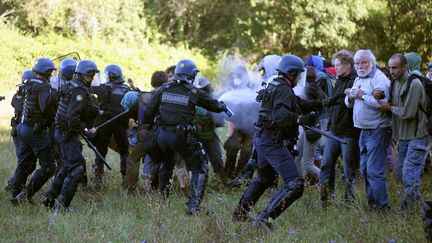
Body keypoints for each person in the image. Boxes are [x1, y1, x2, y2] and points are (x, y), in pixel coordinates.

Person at [232, 54, 322, 229]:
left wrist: (325, 102)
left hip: (264, 138)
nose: (299, 78)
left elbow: (298, 103)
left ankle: (240, 214)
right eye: (298, 74)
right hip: (272, 141)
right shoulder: (283, 88)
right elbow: (282, 117)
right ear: (291, 73)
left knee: (265, 178)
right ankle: (263, 221)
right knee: (295, 184)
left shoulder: (276, 84)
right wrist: (301, 120)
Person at [143, 59, 228, 214]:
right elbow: (213, 105)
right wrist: (223, 106)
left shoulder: (163, 89)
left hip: (161, 135)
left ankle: (163, 202)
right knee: (199, 167)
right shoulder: (193, 91)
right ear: (191, 75)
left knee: (166, 165)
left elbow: (148, 111)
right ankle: (194, 206)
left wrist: (150, 127)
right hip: (180, 136)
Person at [42, 60, 101, 210]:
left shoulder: (72, 84)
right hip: (66, 133)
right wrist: (87, 131)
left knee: (67, 166)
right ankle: (62, 205)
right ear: (80, 75)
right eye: (89, 75)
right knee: (77, 168)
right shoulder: (79, 91)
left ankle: (49, 199)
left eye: (93, 75)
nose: (91, 77)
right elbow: (72, 117)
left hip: (61, 132)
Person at [379, 54, 429, 208]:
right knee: (401, 172)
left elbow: (408, 113)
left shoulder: (414, 84)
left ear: (405, 67)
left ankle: (411, 209)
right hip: (404, 136)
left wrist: (389, 107)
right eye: (390, 67)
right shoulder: (394, 83)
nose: (391, 71)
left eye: (395, 67)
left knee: (409, 173)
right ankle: (415, 203)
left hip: (419, 135)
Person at [344, 49, 392, 211]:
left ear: (371, 62)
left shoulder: (379, 79)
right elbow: (349, 103)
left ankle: (382, 207)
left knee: (374, 170)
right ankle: (373, 204)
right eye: (357, 63)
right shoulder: (358, 78)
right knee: (364, 169)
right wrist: (350, 96)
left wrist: (362, 96)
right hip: (363, 130)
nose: (359, 66)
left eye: (363, 62)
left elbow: (383, 105)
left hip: (378, 129)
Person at [10, 58, 58, 204]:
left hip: (22, 129)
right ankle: (24, 196)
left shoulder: (29, 84)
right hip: (34, 130)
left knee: (25, 162)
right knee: (49, 166)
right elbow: (45, 107)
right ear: (48, 72)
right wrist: (56, 98)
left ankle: (15, 193)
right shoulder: (44, 87)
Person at [319, 50, 360, 207]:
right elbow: (335, 107)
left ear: (348, 65)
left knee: (349, 172)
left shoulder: (355, 81)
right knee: (325, 166)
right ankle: (326, 200)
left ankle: (350, 203)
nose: (335, 68)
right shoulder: (339, 80)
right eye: (335, 65)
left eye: (338, 65)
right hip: (334, 132)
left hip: (349, 134)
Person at [122, 71, 169, 193]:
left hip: (149, 135)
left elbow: (142, 113)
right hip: (168, 134)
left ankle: (130, 189)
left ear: (153, 82)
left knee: (132, 159)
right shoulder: (170, 95)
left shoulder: (148, 96)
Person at [92, 64, 131, 189]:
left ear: (109, 75)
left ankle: (97, 181)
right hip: (120, 124)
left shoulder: (102, 87)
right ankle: (126, 180)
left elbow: (88, 91)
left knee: (100, 151)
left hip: (104, 124)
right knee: (124, 151)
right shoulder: (126, 89)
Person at [4, 70, 35, 191]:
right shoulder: (19, 96)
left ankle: (14, 183)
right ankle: (14, 186)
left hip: (28, 132)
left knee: (30, 163)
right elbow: (19, 104)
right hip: (19, 131)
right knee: (24, 161)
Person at [193, 77, 227, 184]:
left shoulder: (214, 99)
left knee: (217, 160)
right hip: (195, 136)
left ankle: (224, 183)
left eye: (206, 89)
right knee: (197, 162)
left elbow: (220, 122)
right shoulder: (192, 99)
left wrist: (211, 116)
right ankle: (198, 185)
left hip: (210, 136)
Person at [294, 66, 322, 184]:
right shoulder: (313, 86)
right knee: (297, 158)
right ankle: (298, 185)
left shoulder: (308, 88)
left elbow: (305, 105)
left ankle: (327, 181)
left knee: (308, 164)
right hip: (308, 128)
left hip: (312, 129)